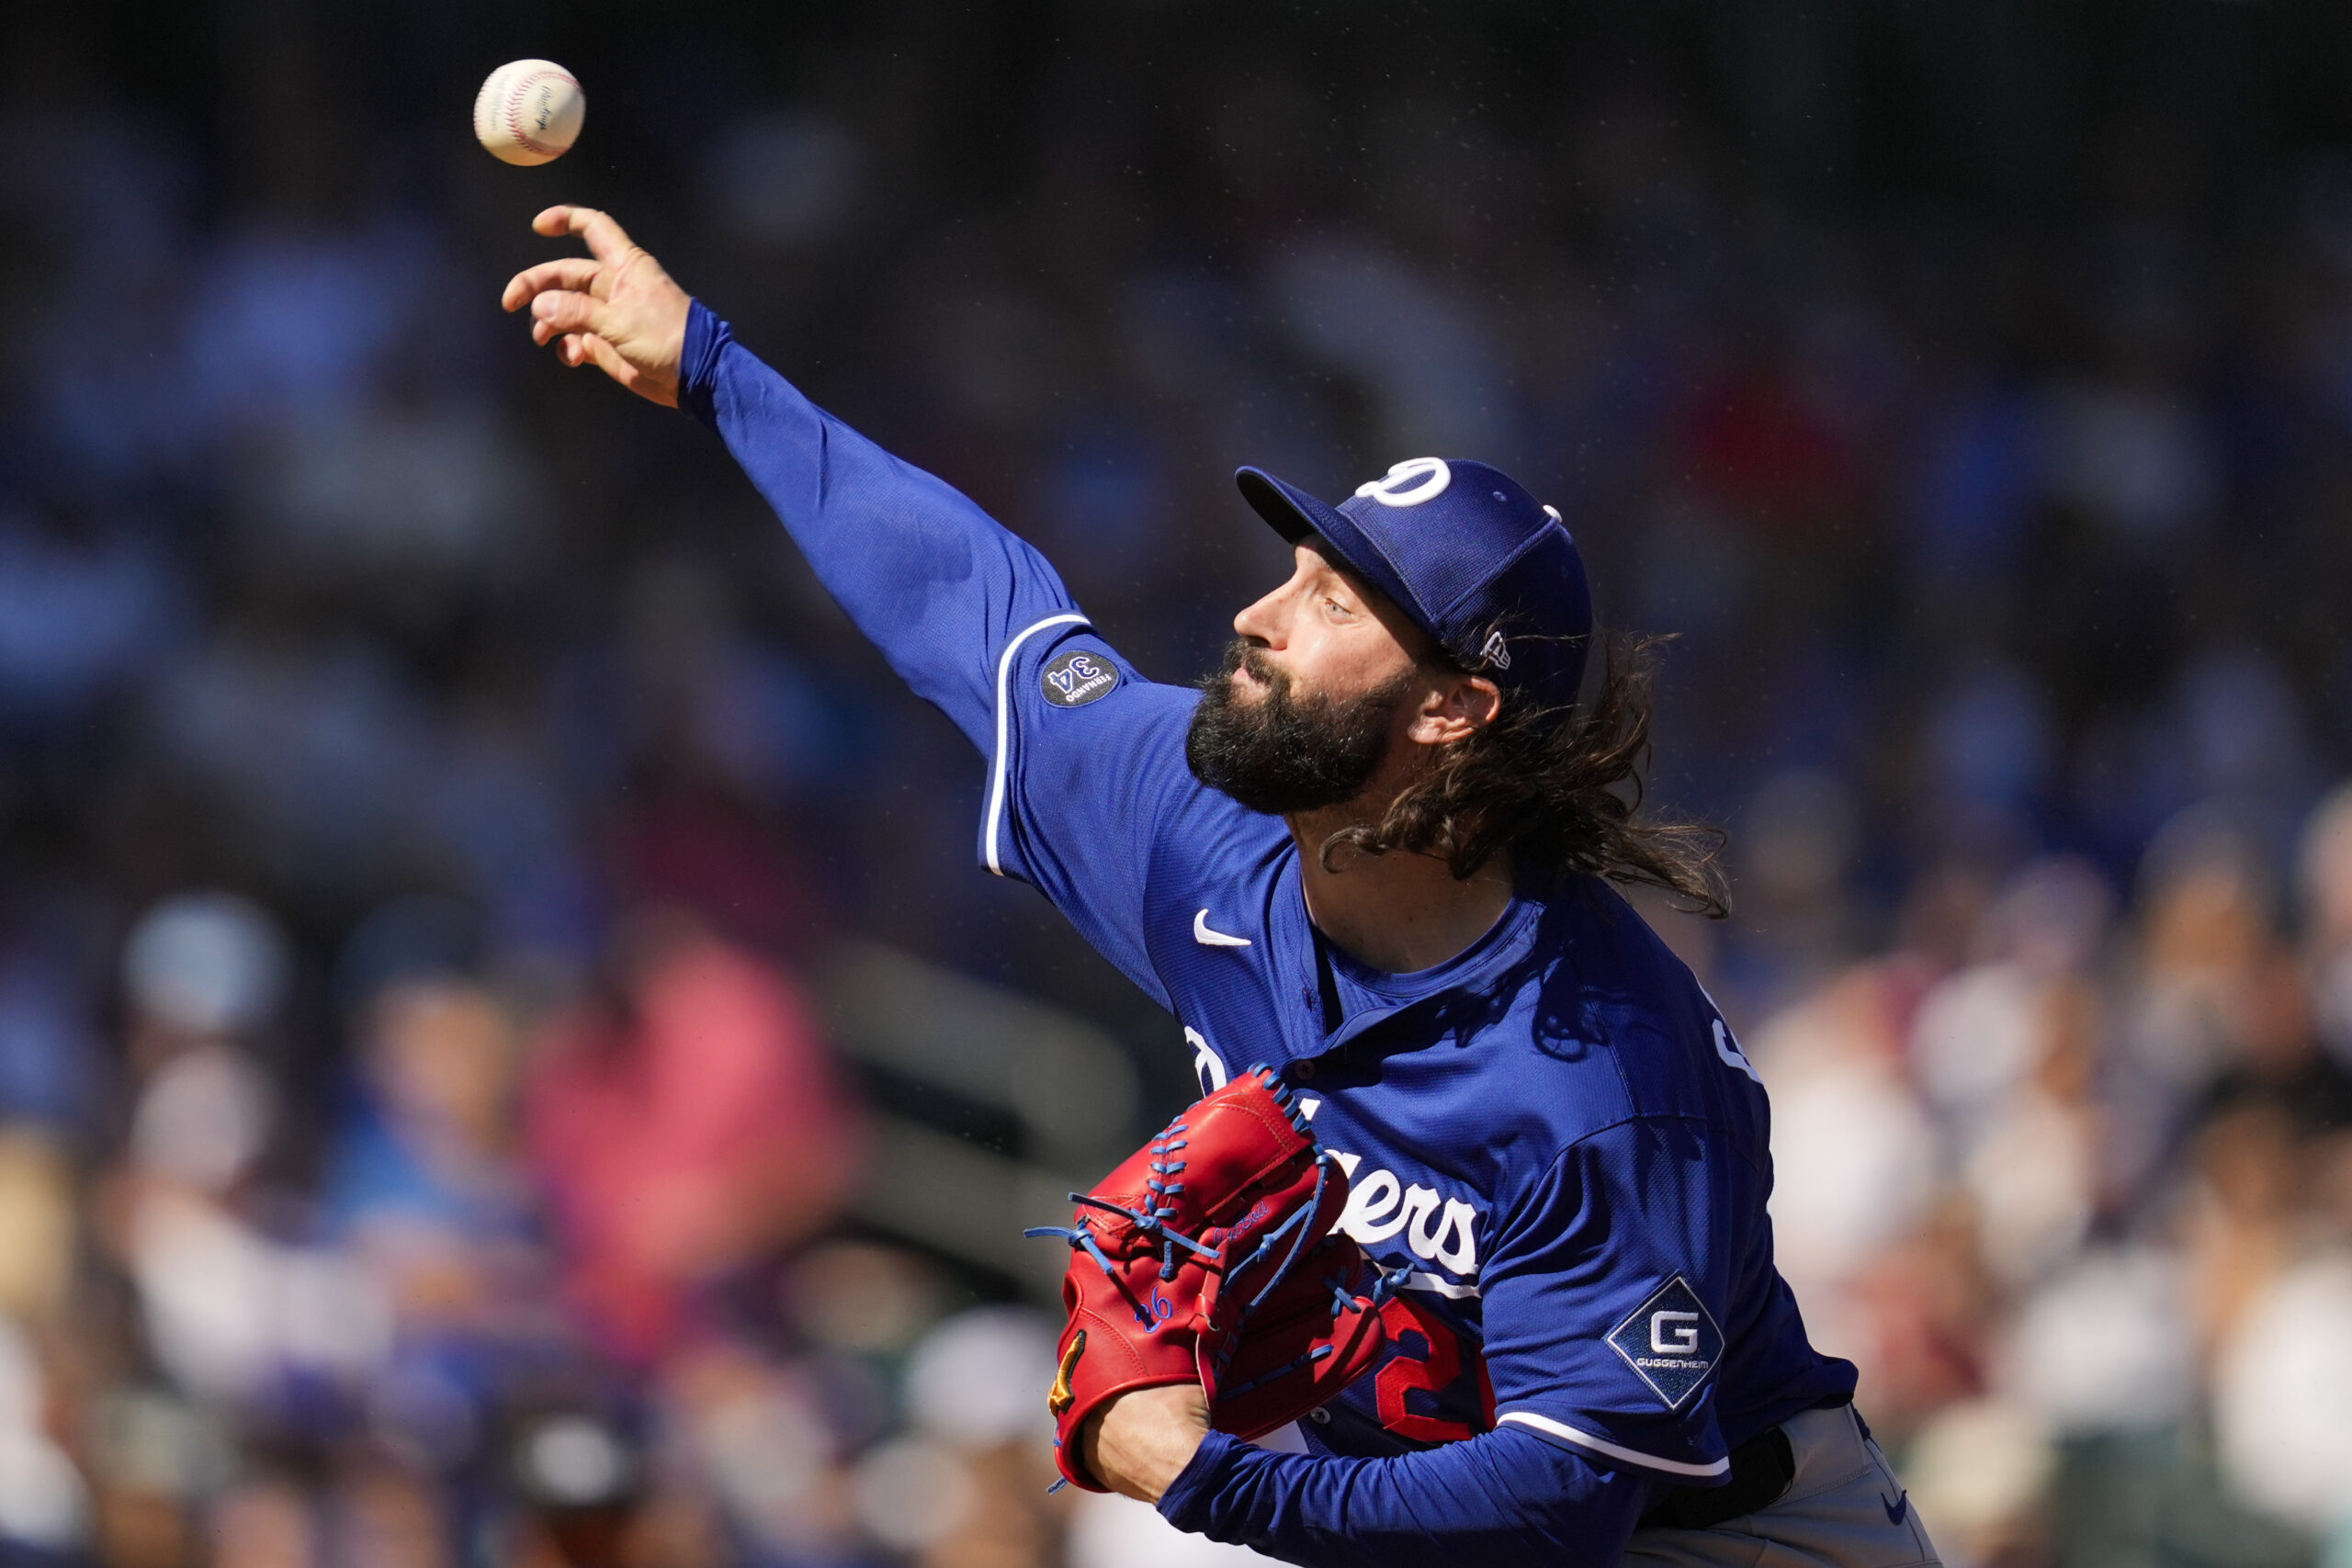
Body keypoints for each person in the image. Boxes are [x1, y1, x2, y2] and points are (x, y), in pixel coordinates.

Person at [502, 207, 1939, 1568]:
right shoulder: (1198, 826)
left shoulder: (1596, 1075)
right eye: (1291, 569)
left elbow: (1564, 1503)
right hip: (1395, 1503)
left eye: (1330, 603)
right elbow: (975, 605)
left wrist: (1202, 1476)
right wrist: (714, 370)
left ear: (1451, 711)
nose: (1256, 615)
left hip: (1724, 1537)